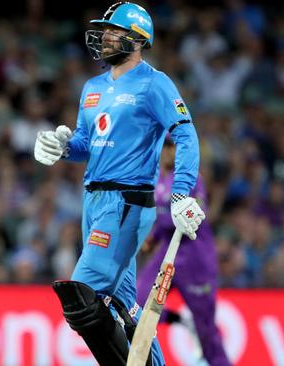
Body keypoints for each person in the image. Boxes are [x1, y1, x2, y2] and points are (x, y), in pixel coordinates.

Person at [34, 2, 205, 366]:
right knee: (125, 307)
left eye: (115, 31)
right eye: (106, 30)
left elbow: (186, 135)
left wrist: (180, 192)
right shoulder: (92, 87)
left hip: (127, 202)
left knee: (83, 297)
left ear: (138, 40)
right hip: (93, 201)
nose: (106, 37)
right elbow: (87, 144)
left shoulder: (154, 83)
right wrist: (63, 147)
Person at [137, 139, 231, 366]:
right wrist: (152, 239)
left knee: (206, 331)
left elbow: (195, 215)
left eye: (171, 147)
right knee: (137, 305)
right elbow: (161, 217)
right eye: (164, 147)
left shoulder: (190, 178)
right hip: (167, 254)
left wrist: (159, 230)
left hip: (194, 258)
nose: (167, 152)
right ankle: (181, 320)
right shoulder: (157, 179)